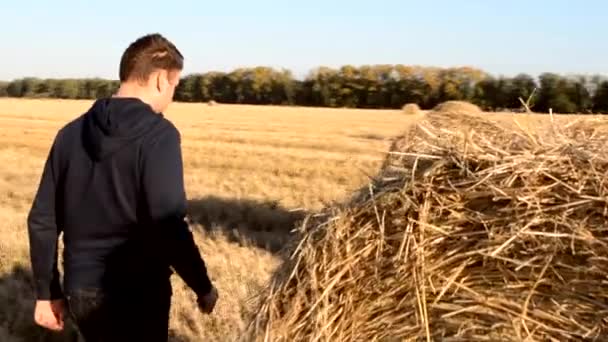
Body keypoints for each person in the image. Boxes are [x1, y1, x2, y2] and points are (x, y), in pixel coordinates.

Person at [26, 33, 218, 341]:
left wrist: (47, 293)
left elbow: (43, 220)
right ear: (159, 80)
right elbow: (167, 224)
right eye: (174, 86)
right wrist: (202, 285)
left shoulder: (70, 134)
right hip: (139, 293)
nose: (172, 96)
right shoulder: (159, 136)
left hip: (82, 292)